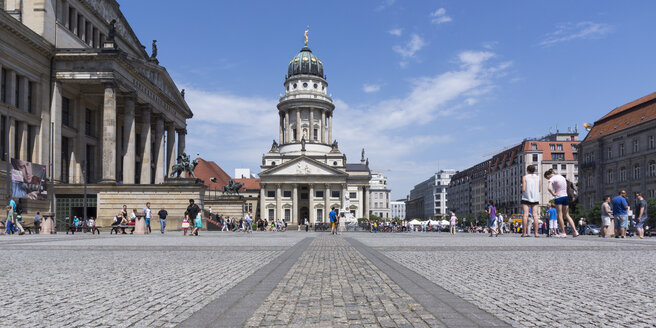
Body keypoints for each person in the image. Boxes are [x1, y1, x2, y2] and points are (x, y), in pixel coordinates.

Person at [545, 169, 579, 237]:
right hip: (565, 197)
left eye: (547, 178)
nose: (548, 179)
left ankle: (563, 232)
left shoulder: (552, 179)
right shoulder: (561, 177)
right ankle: (575, 231)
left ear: (548, 175)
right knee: (567, 215)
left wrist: (553, 193)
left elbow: (548, 188)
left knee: (559, 215)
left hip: (558, 197)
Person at [521, 164, 541, 237]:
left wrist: (521, 186)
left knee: (525, 215)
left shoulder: (525, 177)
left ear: (527, 170)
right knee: (535, 216)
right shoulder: (538, 178)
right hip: (535, 197)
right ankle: (536, 233)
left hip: (526, 197)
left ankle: (524, 233)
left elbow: (523, 189)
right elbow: (539, 189)